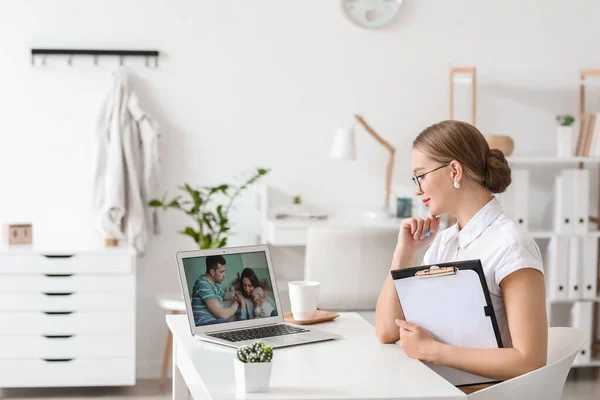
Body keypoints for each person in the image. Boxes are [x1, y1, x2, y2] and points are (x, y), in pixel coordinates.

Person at [375, 120, 547, 389]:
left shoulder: (511, 245)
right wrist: (404, 255)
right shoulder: (445, 242)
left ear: (454, 170)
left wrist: (431, 351)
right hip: (435, 386)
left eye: (421, 175)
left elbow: (530, 361)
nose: (417, 189)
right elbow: (386, 331)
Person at [191, 255, 240, 325]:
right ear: (212, 272)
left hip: (215, 322)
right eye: (221, 272)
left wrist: (239, 293)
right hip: (204, 323)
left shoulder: (215, 286)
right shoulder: (202, 284)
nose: (224, 275)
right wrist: (237, 303)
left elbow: (225, 295)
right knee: (233, 326)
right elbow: (222, 315)